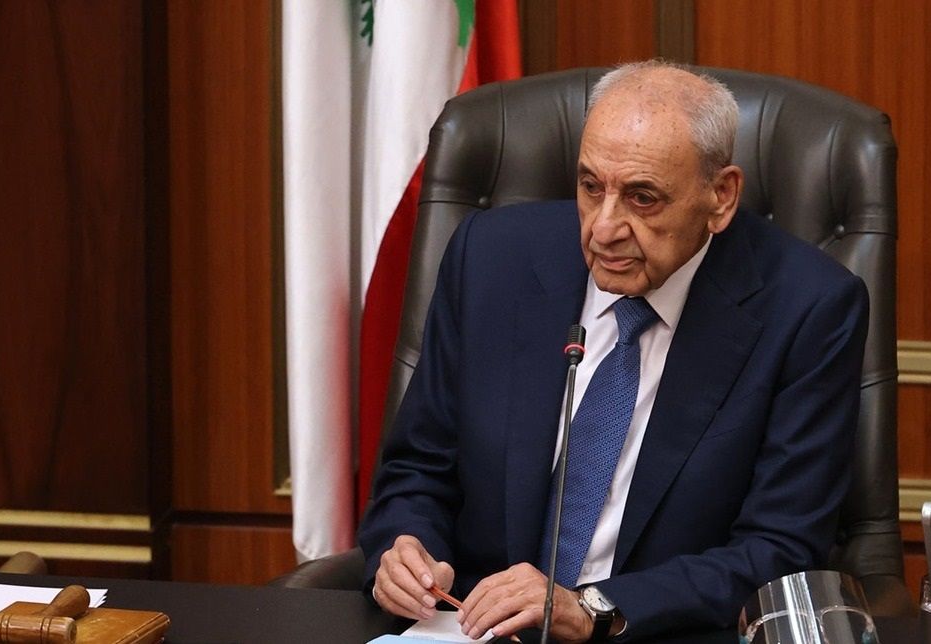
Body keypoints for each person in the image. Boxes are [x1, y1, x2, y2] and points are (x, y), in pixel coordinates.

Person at [359, 60, 868, 642]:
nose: (603, 229)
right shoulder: (492, 258)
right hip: (472, 628)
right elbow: (418, 467)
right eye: (590, 186)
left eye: (642, 198)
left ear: (721, 196)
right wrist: (407, 550)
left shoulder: (808, 308)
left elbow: (779, 547)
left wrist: (594, 609)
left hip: (657, 632)